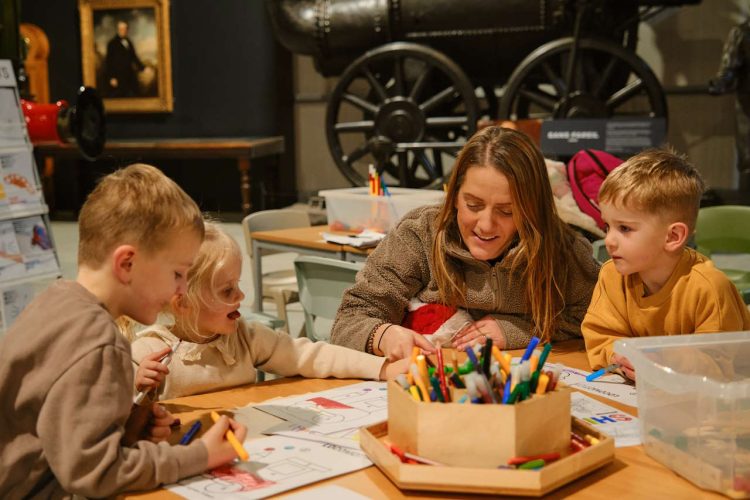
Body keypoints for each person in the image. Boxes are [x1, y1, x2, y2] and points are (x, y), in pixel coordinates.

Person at [0, 164, 247, 498]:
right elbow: (96, 474)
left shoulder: (53, 302)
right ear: (127, 264)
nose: (182, 289)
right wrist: (200, 456)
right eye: (177, 273)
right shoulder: (99, 341)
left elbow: (62, 433)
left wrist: (128, 428)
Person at [330, 126, 601, 360]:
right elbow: (349, 320)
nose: (485, 225)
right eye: (473, 205)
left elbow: (596, 316)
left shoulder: (560, 248)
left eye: (507, 211)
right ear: (454, 196)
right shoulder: (420, 235)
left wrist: (517, 330)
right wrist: (383, 335)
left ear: (532, 210)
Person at [129, 222, 409, 401]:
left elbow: (308, 356)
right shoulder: (147, 352)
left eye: (237, 285)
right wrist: (138, 387)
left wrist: (382, 368)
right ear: (183, 303)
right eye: (227, 291)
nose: (241, 296)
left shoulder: (244, 338)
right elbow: (111, 423)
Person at [582, 148, 750, 380]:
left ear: (672, 237)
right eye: (607, 226)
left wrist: (667, 360)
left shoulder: (709, 288)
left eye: (625, 228)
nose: (609, 240)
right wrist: (617, 357)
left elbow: (721, 369)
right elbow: (600, 336)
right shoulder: (611, 274)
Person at [709, 18, 750, 196]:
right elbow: (729, 68)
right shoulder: (742, 32)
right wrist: (719, 84)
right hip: (748, 105)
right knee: (748, 159)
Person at [104, 20, 145, 98]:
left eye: (125, 29)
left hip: (129, 74)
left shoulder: (129, 42)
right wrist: (111, 77)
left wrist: (143, 68)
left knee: (135, 96)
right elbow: (109, 61)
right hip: (118, 77)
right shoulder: (112, 43)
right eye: (121, 29)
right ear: (118, 30)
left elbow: (134, 57)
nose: (123, 31)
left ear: (127, 30)